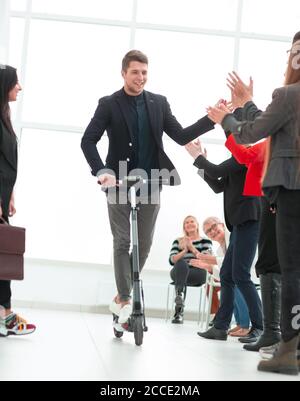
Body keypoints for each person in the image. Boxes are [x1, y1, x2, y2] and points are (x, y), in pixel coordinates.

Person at [81, 50, 215, 325]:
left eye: (144, 72)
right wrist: (102, 172)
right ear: (123, 73)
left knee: (144, 242)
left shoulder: (158, 103)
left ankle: (122, 298)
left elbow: (180, 136)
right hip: (117, 177)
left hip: (152, 177)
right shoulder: (108, 104)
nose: (140, 77)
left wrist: (212, 119)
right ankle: (126, 298)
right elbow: (88, 141)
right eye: (135, 72)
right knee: (121, 240)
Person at [207, 38, 300, 375]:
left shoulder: (288, 95)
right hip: (276, 197)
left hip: (290, 190)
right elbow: (271, 124)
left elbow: (254, 134)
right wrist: (246, 103)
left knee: (290, 272)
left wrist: (229, 118)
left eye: (292, 53)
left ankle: (288, 346)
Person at [224, 77, 282, 352]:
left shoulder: (272, 141)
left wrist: (234, 114)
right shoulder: (273, 140)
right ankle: (267, 330)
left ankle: (265, 328)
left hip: (262, 204)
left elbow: (246, 154)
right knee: (251, 270)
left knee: (257, 270)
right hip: (263, 202)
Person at [185, 140, 263, 343]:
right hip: (238, 224)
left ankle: (259, 327)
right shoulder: (234, 160)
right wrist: (201, 164)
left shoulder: (243, 154)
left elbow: (216, 169)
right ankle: (220, 327)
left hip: (249, 220)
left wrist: (198, 157)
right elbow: (218, 185)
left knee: (240, 275)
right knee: (227, 275)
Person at [0, 65, 36, 337]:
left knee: (4, 255)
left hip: (2, 193)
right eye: (16, 83)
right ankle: (5, 315)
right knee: (2, 256)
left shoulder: (4, 115)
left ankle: (4, 312)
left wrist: (9, 192)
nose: (19, 87)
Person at [196, 216, 250, 337]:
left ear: (222, 224)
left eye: (214, 226)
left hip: (250, 272)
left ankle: (247, 325)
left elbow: (234, 260)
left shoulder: (233, 236)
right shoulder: (220, 250)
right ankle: (241, 323)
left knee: (234, 283)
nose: (212, 231)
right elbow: (223, 273)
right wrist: (208, 267)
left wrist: (210, 260)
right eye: (208, 231)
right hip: (238, 275)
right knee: (229, 283)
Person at [169, 215, 214, 324]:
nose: (189, 224)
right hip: (179, 272)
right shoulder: (178, 241)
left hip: (198, 273)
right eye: (186, 222)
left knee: (182, 269)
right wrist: (184, 250)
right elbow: (172, 260)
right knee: (181, 264)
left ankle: (178, 310)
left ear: (197, 225)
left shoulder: (205, 241)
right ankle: (180, 297)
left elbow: (207, 260)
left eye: (192, 221)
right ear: (184, 227)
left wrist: (192, 248)